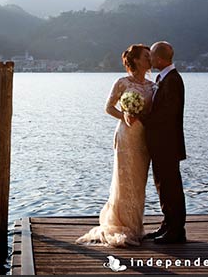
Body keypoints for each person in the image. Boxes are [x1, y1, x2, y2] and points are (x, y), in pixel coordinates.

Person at [76, 44, 154, 247]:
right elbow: (108, 107)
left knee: (139, 182)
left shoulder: (152, 86)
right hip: (126, 136)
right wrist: (125, 115)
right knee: (124, 179)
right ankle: (122, 224)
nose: (150, 59)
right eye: (146, 56)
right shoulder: (122, 82)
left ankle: (136, 226)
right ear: (136, 60)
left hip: (144, 137)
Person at [139, 41, 187, 244]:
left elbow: (168, 113)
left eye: (150, 56)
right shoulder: (163, 78)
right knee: (163, 185)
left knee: (171, 186)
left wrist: (141, 116)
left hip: (168, 143)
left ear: (159, 58)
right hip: (160, 143)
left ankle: (177, 230)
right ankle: (168, 224)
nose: (149, 60)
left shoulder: (173, 80)